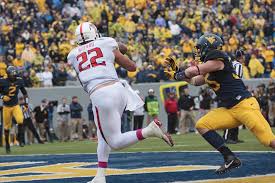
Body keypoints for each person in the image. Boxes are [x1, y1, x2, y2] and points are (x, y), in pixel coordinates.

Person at [67, 22, 173, 183]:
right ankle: (100, 176)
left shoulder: (72, 55)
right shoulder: (107, 42)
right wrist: (114, 49)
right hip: (119, 89)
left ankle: (148, 131)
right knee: (103, 136)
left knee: (115, 141)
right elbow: (131, 67)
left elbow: (84, 77)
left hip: (100, 94)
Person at [165, 33, 275, 174]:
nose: (198, 52)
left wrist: (182, 72)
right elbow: (194, 81)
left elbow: (194, 71)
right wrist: (177, 74)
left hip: (245, 105)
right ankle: (230, 157)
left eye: (200, 49)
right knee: (202, 125)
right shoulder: (209, 68)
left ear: (208, 48)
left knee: (269, 141)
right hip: (231, 109)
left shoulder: (218, 61)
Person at [0, 66, 28, 153]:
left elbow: (25, 93)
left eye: (15, 74)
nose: (14, 76)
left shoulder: (19, 80)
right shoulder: (2, 81)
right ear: (8, 74)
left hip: (15, 105)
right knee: (7, 127)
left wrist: (26, 104)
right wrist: (2, 97)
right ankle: (7, 145)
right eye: (12, 75)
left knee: (20, 120)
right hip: (6, 107)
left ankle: (20, 138)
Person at [223, 49, 245, 144]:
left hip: (228, 91)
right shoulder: (238, 65)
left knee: (236, 115)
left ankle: (234, 137)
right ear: (241, 57)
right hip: (233, 92)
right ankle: (227, 137)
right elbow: (237, 79)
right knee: (231, 115)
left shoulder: (231, 64)